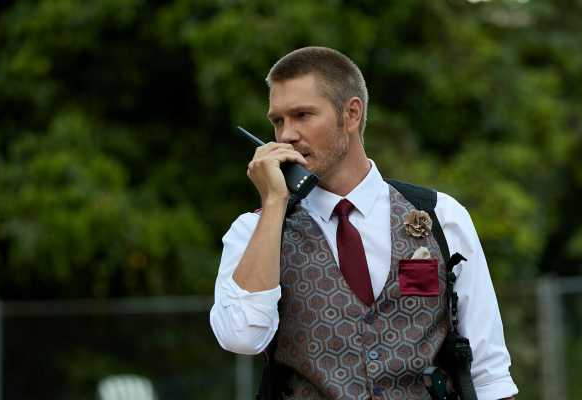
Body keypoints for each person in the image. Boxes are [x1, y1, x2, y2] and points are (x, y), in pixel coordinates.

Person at [210, 46, 518, 399]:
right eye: (278, 121)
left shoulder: (440, 216)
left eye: (302, 115)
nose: (286, 135)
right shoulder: (256, 230)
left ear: (351, 114)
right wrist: (274, 203)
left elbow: (489, 372)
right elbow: (241, 337)